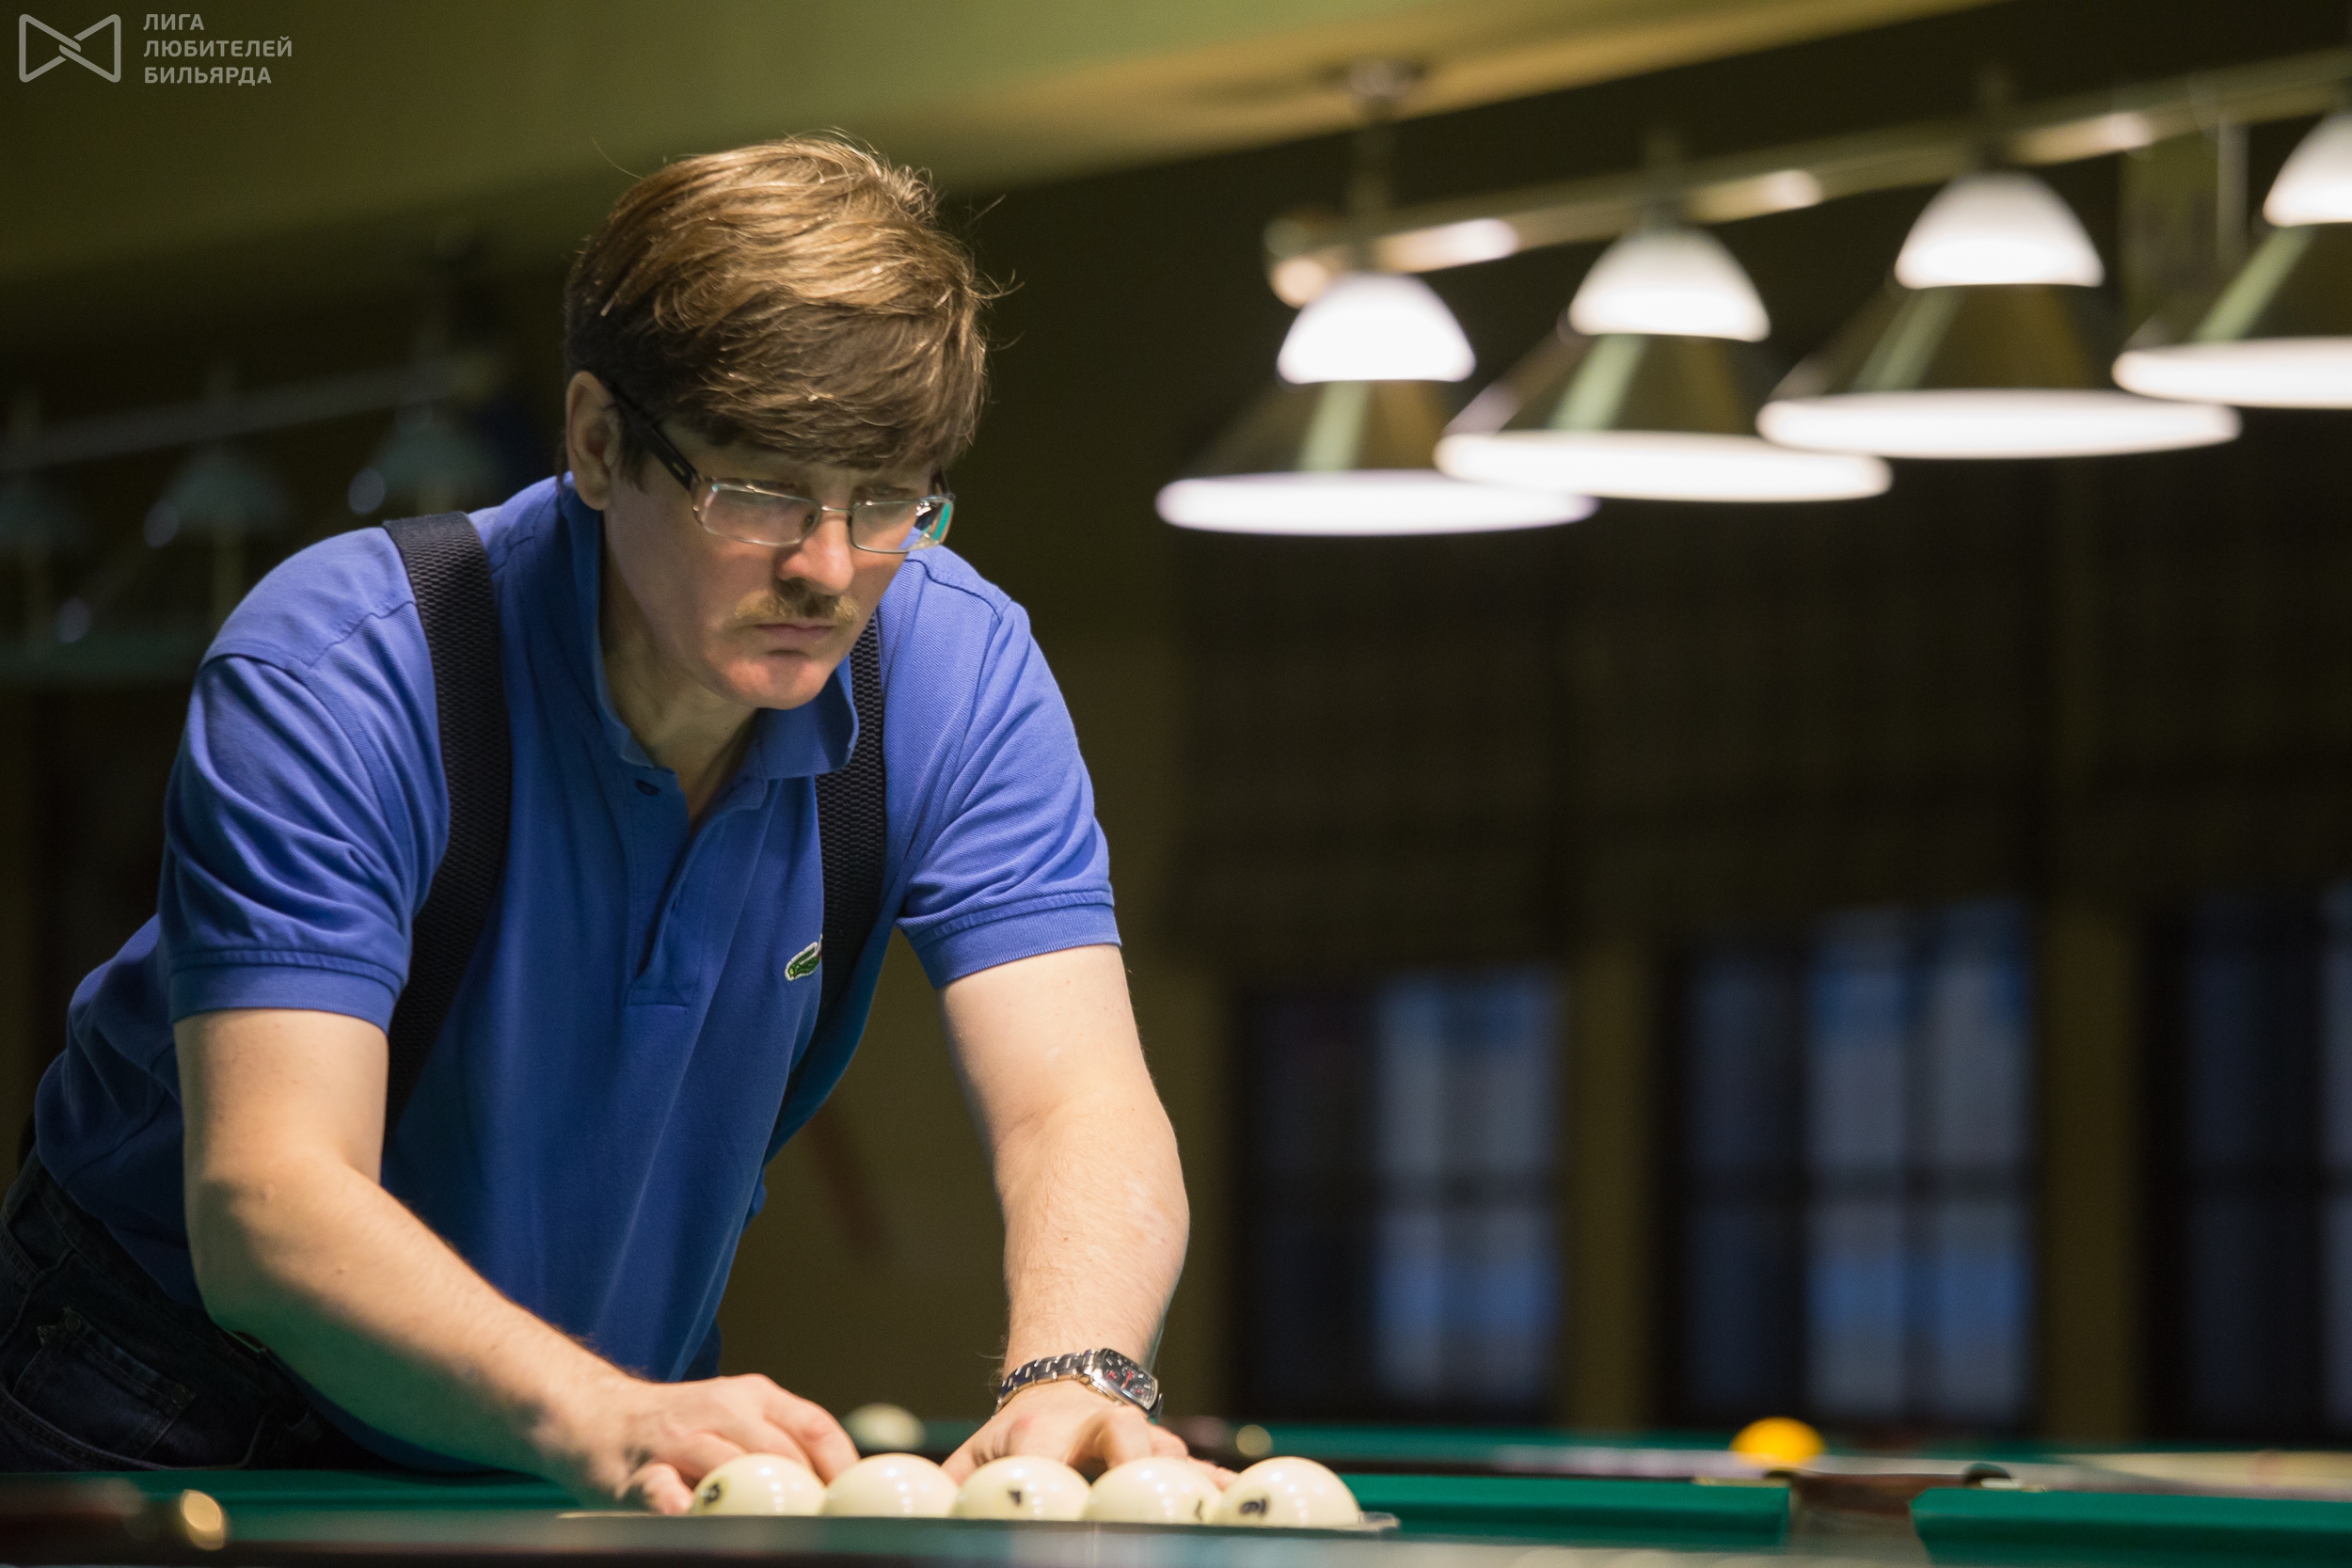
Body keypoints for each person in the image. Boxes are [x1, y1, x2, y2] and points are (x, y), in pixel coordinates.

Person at [0, 138, 1195, 1512]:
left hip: (590, 1395)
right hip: (166, 1381)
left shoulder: (957, 669)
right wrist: (609, 1419)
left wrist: (1079, 1370)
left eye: (885, 502)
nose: (826, 568)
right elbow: (267, 1205)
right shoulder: (344, 669)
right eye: (760, 492)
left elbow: (1076, 1101)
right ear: (595, 442)